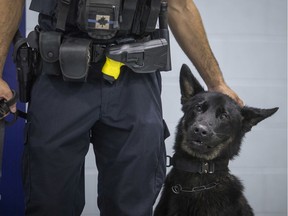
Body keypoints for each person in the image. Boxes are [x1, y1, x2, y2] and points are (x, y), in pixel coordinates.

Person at [0, 0, 243, 215]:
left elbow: (180, 5)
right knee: (50, 203)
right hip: (58, 72)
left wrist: (216, 81)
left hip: (135, 77)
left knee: (132, 204)